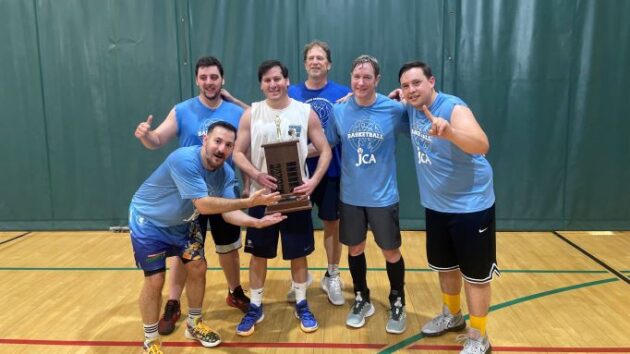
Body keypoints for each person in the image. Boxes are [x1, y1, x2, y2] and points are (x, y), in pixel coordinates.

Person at [130, 122, 286, 353]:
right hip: (149, 222)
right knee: (155, 280)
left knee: (198, 267)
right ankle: (150, 341)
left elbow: (228, 212)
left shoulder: (226, 173)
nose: (221, 148)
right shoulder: (184, 160)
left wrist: (256, 222)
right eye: (217, 141)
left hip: (183, 223)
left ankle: (194, 324)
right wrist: (249, 202)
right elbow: (203, 205)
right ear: (205, 140)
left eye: (228, 145)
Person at [134, 56, 251, 336]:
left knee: (229, 247)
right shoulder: (183, 110)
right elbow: (158, 140)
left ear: (222, 80)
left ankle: (235, 291)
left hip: (222, 190)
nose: (209, 82)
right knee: (183, 256)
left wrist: (235, 100)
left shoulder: (235, 111)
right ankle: (173, 302)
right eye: (204, 77)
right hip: (189, 198)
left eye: (214, 77)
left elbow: (260, 121)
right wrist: (145, 136)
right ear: (197, 80)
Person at [398, 61, 498, 354]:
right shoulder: (410, 107)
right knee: (446, 266)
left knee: (476, 276)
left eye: (416, 83)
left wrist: (451, 132)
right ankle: (452, 315)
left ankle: (479, 336)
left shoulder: (453, 108)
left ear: (432, 81)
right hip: (437, 205)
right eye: (406, 85)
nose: (411, 89)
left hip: (471, 206)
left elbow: (482, 144)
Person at [232, 60, 332, 336]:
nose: (273, 84)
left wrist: (312, 182)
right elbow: (238, 152)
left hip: (295, 198)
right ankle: (255, 306)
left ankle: (301, 301)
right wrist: (255, 174)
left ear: (287, 81)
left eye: (277, 79)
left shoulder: (305, 112)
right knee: (258, 255)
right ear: (261, 84)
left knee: (298, 255)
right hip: (261, 198)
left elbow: (325, 151)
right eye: (267, 80)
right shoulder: (251, 114)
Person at [326, 55, 408, 334]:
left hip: (383, 196)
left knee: (390, 251)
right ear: (351, 78)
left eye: (367, 78)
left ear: (377, 80)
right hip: (350, 195)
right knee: (355, 248)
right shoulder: (340, 111)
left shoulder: (394, 110)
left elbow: (420, 128)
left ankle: (398, 300)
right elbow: (325, 145)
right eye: (356, 77)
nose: (361, 82)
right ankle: (361, 297)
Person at [287, 40, 351, 305]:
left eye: (320, 58)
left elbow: (343, 131)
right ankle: (299, 280)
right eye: (311, 58)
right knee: (294, 225)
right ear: (305, 64)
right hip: (296, 173)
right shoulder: (289, 92)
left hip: (331, 170)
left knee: (332, 224)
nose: (315, 62)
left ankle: (332, 275)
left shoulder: (343, 92)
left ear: (329, 64)